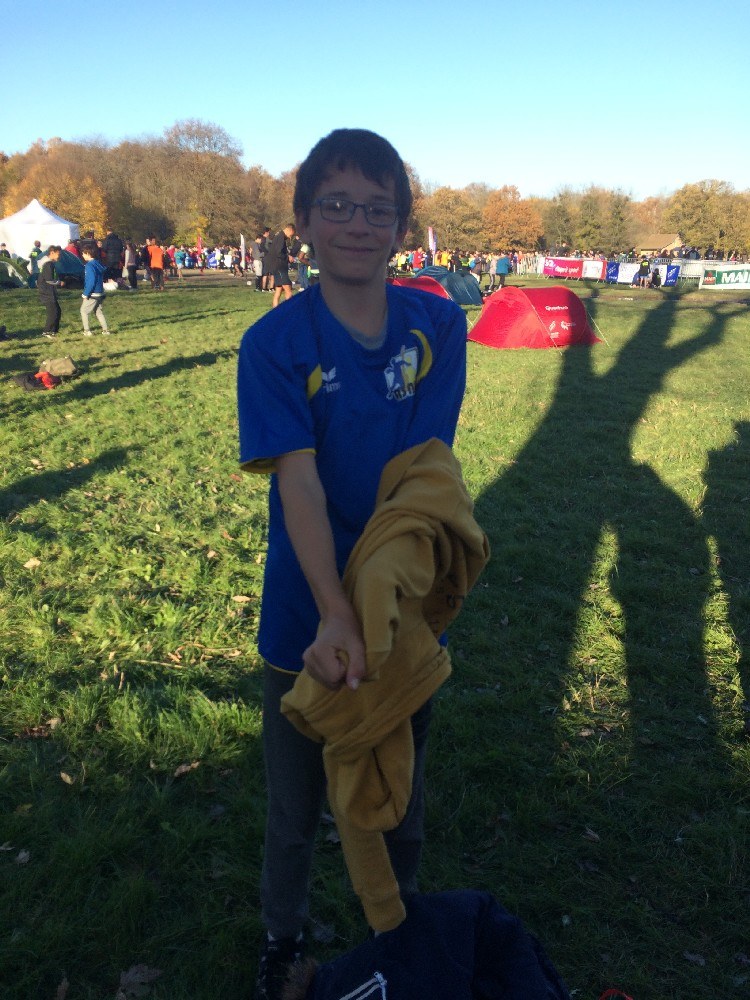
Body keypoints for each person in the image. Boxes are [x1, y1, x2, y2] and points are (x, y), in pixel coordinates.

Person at [237, 128, 468, 1000]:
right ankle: (281, 938)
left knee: (399, 786)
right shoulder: (274, 344)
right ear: (302, 222)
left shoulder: (438, 326)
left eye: (379, 209)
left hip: (404, 606)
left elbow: (422, 480)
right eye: (336, 205)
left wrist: (380, 607)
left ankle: (397, 934)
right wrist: (335, 610)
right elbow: (297, 482)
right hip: (304, 614)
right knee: (295, 809)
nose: (358, 225)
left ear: (402, 227)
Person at [80, 243, 110, 336]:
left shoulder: (89, 265)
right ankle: (105, 330)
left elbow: (91, 281)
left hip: (93, 293)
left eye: (83, 253)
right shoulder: (98, 263)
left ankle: (87, 331)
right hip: (100, 292)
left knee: (83, 311)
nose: (82, 255)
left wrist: (86, 293)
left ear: (88, 254)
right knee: (98, 311)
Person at [38, 246, 64, 338]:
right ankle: (47, 331)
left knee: (57, 310)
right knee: (53, 312)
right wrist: (59, 282)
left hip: (49, 291)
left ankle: (53, 331)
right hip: (47, 292)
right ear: (52, 253)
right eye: (58, 254)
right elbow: (49, 280)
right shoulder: (48, 264)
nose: (59, 256)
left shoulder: (49, 263)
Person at [268, 223, 296, 307]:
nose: (290, 237)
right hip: (280, 267)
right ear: (289, 230)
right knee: (288, 289)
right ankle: (289, 310)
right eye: (291, 235)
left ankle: (275, 311)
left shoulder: (279, 237)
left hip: (276, 266)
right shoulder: (280, 237)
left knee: (279, 290)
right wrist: (288, 257)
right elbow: (279, 252)